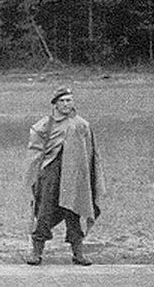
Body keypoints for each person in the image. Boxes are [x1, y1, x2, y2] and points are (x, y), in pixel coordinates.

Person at [24, 85, 103, 266]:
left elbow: (90, 153)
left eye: (69, 100)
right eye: (62, 101)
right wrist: (38, 172)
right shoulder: (46, 124)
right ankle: (37, 253)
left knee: (73, 211)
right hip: (51, 173)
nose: (66, 104)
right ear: (55, 104)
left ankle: (78, 253)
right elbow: (35, 149)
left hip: (73, 177)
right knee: (44, 211)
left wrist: (87, 177)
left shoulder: (82, 125)